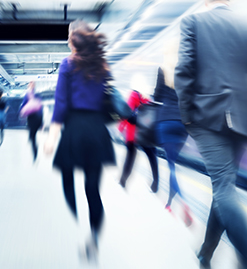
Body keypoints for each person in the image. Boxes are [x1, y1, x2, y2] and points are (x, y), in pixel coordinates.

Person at [175, 0, 247, 269]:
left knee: (223, 188)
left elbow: (184, 70)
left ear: (207, 0)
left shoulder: (194, 22)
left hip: (207, 118)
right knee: (225, 186)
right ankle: (206, 252)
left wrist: (187, 116)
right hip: (245, 122)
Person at [43, 20, 115, 261]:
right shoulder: (103, 66)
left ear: (73, 39)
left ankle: (73, 210)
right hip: (97, 131)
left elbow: (61, 105)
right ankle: (93, 239)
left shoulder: (68, 64)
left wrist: (52, 138)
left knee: (66, 171)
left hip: (74, 129)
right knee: (93, 189)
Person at [154, 38, 192, 226]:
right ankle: (169, 203)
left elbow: (157, 96)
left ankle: (183, 201)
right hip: (183, 123)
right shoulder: (187, 68)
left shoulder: (162, 69)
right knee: (173, 164)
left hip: (165, 120)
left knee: (171, 166)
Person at [118, 80, 159, 193]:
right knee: (152, 156)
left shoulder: (134, 94)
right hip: (147, 133)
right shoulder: (149, 98)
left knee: (130, 158)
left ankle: (123, 181)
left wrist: (121, 128)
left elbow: (127, 112)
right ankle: (155, 184)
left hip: (133, 133)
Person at [19, 81, 43, 162]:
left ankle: (35, 153)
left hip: (32, 118)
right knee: (33, 136)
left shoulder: (27, 95)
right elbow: (41, 108)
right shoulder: (38, 95)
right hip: (38, 118)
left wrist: (21, 113)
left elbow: (23, 105)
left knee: (32, 137)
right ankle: (35, 150)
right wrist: (42, 122)